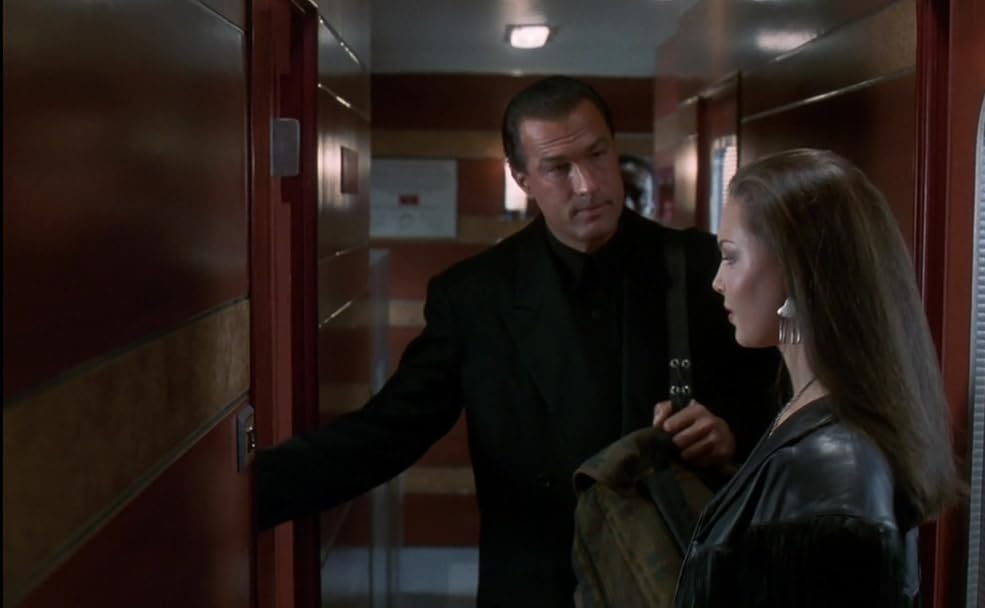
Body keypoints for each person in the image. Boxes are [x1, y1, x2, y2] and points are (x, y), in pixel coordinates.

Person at [256, 76, 778, 607]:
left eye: (597, 155)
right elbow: (391, 429)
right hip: (540, 583)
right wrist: (245, 493)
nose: (587, 185)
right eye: (558, 168)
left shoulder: (699, 266)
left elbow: (782, 393)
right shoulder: (476, 296)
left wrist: (729, 432)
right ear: (522, 178)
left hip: (678, 573)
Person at [673, 149, 962, 607]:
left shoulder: (831, 474)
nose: (717, 282)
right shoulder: (804, 411)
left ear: (796, 268)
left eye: (730, 257)